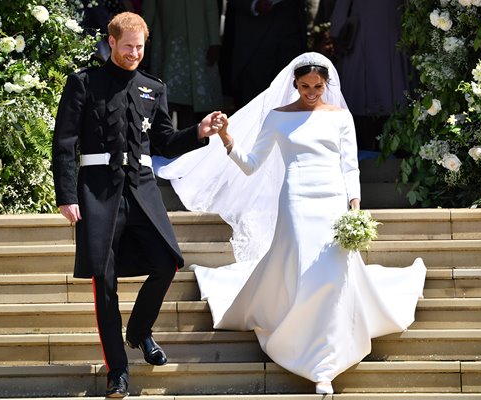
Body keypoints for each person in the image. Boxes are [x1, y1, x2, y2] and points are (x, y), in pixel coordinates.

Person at [154, 52, 427, 394]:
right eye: (304, 86)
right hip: (295, 198)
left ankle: (326, 361)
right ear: (295, 84)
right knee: (301, 260)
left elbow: (350, 165)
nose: (311, 92)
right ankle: (310, 352)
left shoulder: (341, 117)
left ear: (326, 84)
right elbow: (252, 164)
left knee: (334, 268)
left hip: (332, 200)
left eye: (317, 86)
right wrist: (226, 140)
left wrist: (355, 203)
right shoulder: (278, 118)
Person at [52, 12, 222, 398]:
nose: (134, 53)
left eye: (140, 47)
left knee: (168, 263)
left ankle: (140, 331)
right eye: (127, 46)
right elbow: (64, 143)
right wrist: (67, 196)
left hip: (142, 190)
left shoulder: (152, 87)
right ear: (111, 42)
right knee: (104, 281)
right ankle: (118, 370)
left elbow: (163, 140)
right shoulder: (84, 83)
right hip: (97, 192)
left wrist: (197, 132)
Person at [328, 0, 411, 152]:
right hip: (388, 25)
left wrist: (336, 30)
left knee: (366, 95)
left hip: (373, 27)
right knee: (392, 90)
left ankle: (367, 146)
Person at [143, 0, 224, 128]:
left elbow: (211, 7)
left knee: (190, 106)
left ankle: (188, 144)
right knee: (164, 101)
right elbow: (150, 5)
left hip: (198, 41)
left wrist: (215, 41)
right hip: (168, 40)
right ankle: (163, 143)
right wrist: (142, 35)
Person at [221, 0, 308, 110]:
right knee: (254, 100)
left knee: (289, 95)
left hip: (291, 33)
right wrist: (254, 4)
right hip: (255, 38)